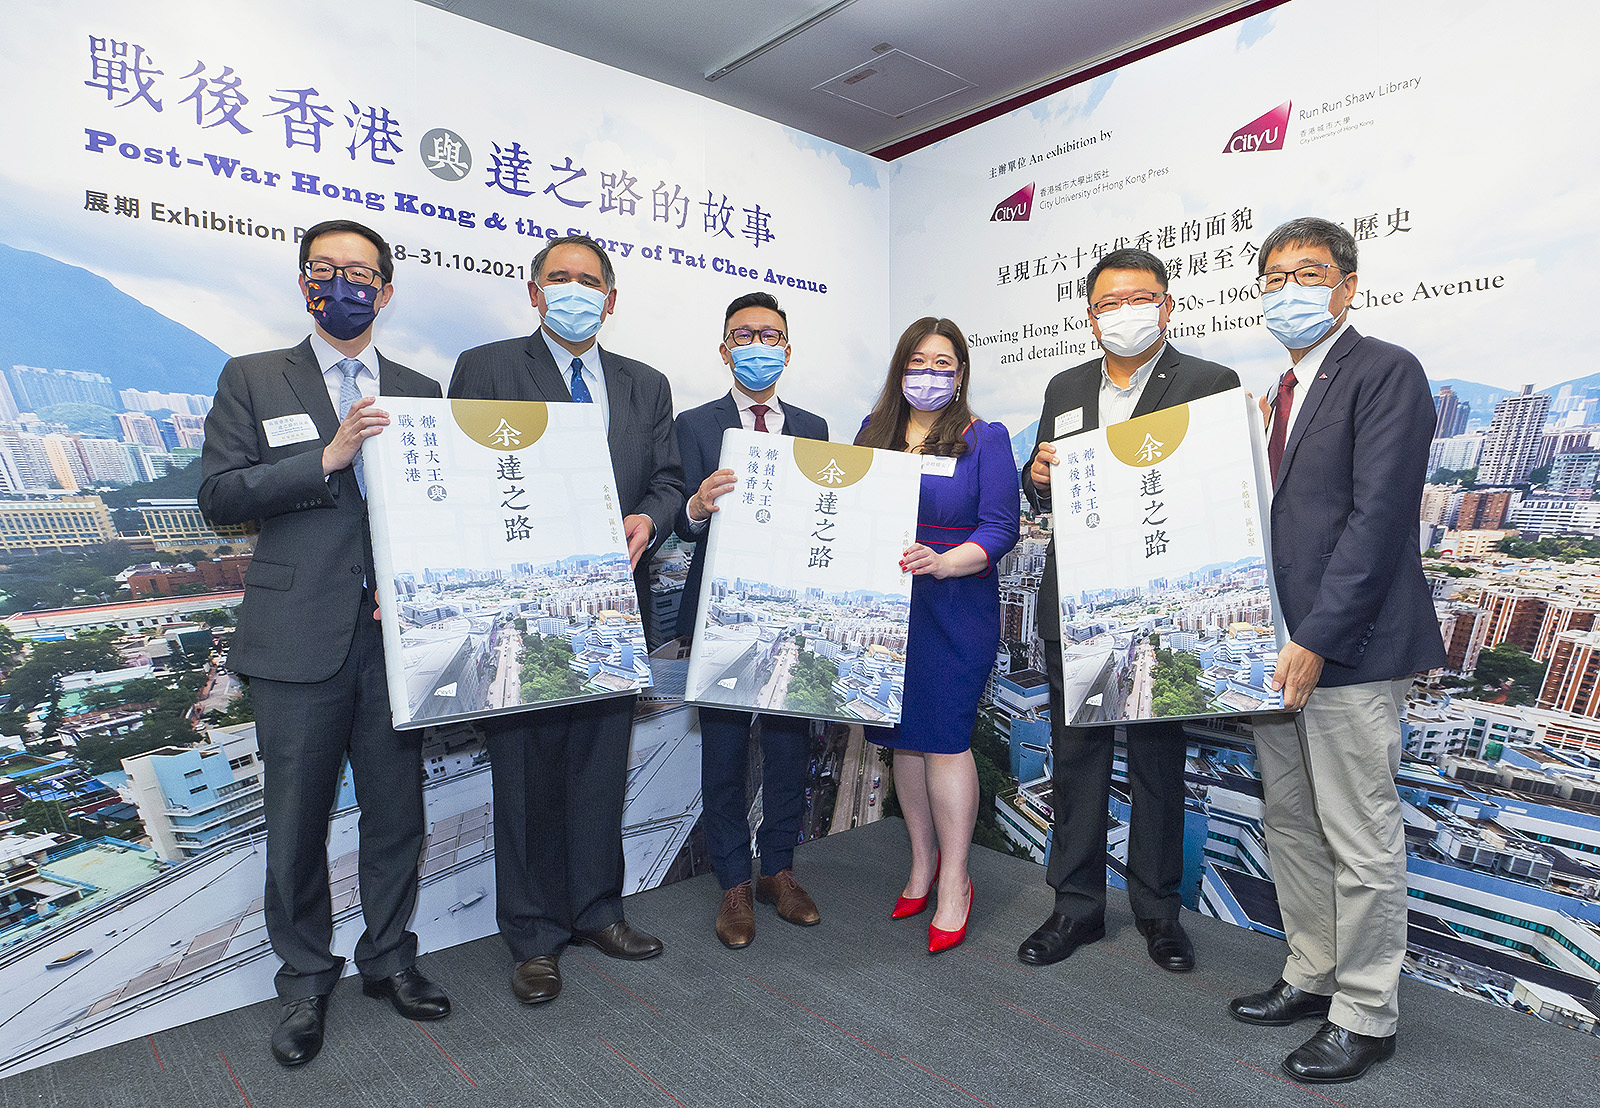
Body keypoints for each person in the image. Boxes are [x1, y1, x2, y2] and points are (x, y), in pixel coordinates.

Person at [198, 219, 449, 1067]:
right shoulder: (254, 377)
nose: (341, 284)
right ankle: (304, 979)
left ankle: (389, 959)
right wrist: (328, 455)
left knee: (397, 815)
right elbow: (221, 495)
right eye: (324, 269)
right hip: (296, 639)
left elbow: (441, 509)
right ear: (304, 280)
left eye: (360, 271)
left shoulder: (420, 386)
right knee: (297, 822)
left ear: (386, 287)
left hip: (395, 640)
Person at [1229, 217, 1445, 1084]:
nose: (1291, 290)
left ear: (1348, 284)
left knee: (1359, 837)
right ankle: (1312, 972)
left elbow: (1377, 520)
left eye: (1309, 273)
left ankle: (1365, 1012)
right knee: (1291, 822)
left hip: (1344, 650)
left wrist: (1317, 637)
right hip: (1273, 652)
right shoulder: (1274, 394)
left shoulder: (1386, 371)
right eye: (1274, 277)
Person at [447, 234, 684, 1005]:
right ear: (534, 291)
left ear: (611, 300)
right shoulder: (486, 368)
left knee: (596, 769)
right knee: (524, 776)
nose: (575, 291)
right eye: (561, 279)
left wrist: (650, 517)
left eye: (590, 282)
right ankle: (533, 935)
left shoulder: (646, 384)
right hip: (523, 610)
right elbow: (461, 474)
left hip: (614, 607)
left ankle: (597, 913)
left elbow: (669, 480)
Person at [1017, 249, 1238, 973]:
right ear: (1091, 317)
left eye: (1141, 298)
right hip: (1078, 603)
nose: (1125, 313)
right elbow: (1044, 489)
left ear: (1168, 306)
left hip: (1160, 610)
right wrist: (1036, 474)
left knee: (1156, 765)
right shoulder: (1066, 385)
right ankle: (1075, 908)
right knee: (1078, 760)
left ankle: (1158, 915)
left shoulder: (1209, 382)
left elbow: (1220, 488)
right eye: (1110, 303)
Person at [857, 317, 1020, 954]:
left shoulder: (985, 440)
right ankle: (921, 863)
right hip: (888, 609)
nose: (931, 373)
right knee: (903, 739)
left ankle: (956, 878)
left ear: (962, 373)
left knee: (947, 739)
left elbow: (1001, 527)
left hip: (956, 602)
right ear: (901, 369)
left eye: (944, 363)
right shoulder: (871, 438)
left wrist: (944, 561)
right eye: (919, 361)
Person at [674, 292, 830, 949]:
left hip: (793, 617)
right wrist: (696, 508)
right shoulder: (693, 424)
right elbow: (675, 517)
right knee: (726, 753)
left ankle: (781, 871)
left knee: (792, 748)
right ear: (724, 348)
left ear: (788, 351)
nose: (757, 346)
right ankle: (735, 882)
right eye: (744, 335)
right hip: (722, 616)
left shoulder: (816, 429)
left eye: (770, 336)